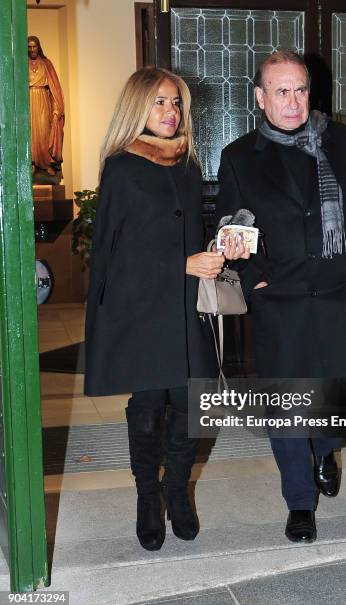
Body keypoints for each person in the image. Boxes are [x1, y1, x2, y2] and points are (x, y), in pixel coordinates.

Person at [215, 51, 346, 543]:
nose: (293, 102)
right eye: (282, 91)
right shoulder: (239, 156)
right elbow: (231, 228)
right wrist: (255, 280)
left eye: (301, 90)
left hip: (340, 296)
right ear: (260, 97)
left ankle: (324, 448)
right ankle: (299, 503)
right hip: (281, 300)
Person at [84, 66, 247, 551]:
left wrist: (221, 245)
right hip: (143, 308)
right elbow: (113, 254)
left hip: (187, 307)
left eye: (176, 103)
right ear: (138, 107)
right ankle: (146, 497)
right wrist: (181, 263)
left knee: (191, 404)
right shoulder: (121, 167)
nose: (170, 112)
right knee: (150, 405)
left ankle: (177, 492)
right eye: (159, 102)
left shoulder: (188, 166)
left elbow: (190, 235)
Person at [28, 36, 64, 177]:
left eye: (34, 46)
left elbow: (55, 90)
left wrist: (56, 110)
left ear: (39, 47)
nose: (32, 50)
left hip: (43, 100)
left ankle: (47, 164)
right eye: (29, 47)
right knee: (30, 132)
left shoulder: (46, 64)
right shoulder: (22, 64)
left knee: (44, 132)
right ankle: (32, 163)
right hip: (28, 100)